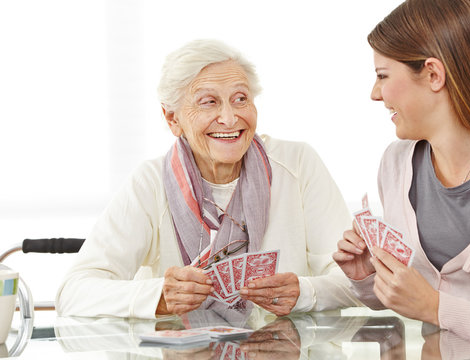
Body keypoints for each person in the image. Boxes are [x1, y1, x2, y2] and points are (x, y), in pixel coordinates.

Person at [56, 39, 361, 319]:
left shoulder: (298, 164)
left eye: (240, 99)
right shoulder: (149, 183)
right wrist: (158, 296)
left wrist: (305, 293)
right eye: (208, 102)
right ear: (172, 119)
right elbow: (73, 293)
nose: (229, 119)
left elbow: (360, 282)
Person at [333, 0, 470, 352]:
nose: (374, 93)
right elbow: (411, 299)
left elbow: (431, 304)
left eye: (383, 75)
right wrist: (369, 276)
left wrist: (437, 308)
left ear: (433, 74)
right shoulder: (396, 164)